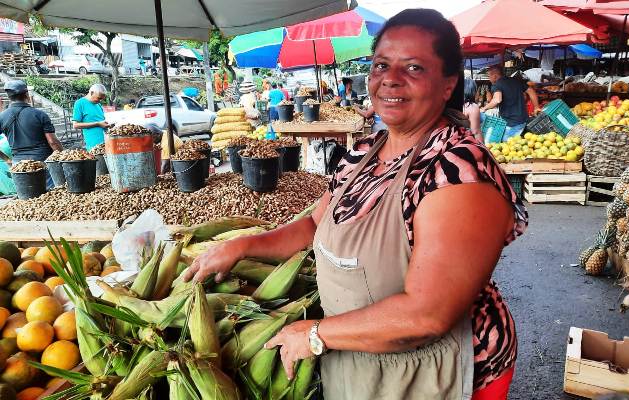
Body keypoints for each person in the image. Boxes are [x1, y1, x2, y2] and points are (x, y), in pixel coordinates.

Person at [183, 8, 527, 400]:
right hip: (360, 355)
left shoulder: (460, 172)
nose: (390, 80)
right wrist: (239, 245)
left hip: (439, 371)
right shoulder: (366, 151)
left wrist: (315, 333)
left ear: (448, 84)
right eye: (381, 64)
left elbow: (426, 315)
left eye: (413, 68)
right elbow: (314, 224)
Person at [0, 80, 63, 189]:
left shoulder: (2, 117)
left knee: (27, 198)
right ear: (26, 94)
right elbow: (53, 142)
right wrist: (63, 156)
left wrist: (7, 159)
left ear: (9, 97)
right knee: (50, 195)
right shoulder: (40, 114)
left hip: (18, 165)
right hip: (42, 163)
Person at [480, 65, 540, 141]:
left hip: (511, 123)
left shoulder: (497, 85)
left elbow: (497, 100)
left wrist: (484, 108)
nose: (489, 79)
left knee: (507, 147)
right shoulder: (515, 81)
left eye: (489, 76)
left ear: (495, 76)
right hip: (523, 120)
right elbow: (531, 91)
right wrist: (536, 107)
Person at [72, 84, 111, 151]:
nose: (100, 100)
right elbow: (75, 125)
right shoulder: (80, 103)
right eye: (99, 98)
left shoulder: (98, 104)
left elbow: (101, 121)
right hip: (94, 146)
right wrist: (97, 124)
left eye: (101, 99)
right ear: (91, 93)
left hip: (106, 143)